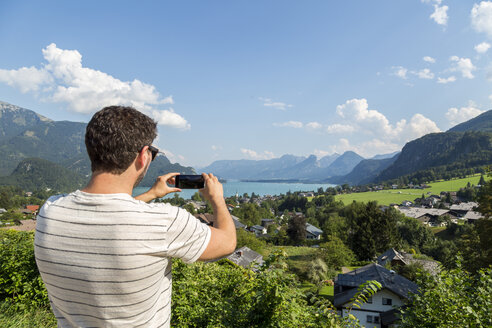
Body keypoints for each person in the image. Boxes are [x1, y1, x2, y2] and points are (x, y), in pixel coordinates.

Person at [34, 105, 236, 328]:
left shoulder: (50, 211)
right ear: (143, 156)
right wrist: (217, 199)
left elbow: (106, 215)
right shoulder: (163, 222)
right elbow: (227, 242)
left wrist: (150, 194)